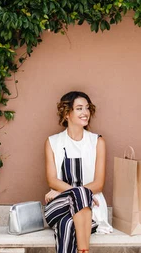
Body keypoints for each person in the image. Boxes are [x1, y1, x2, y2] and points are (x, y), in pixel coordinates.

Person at [44, 91, 112, 253]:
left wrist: (80, 194)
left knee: (67, 224)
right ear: (67, 113)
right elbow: (52, 180)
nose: (85, 113)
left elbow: (98, 184)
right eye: (79, 108)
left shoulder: (97, 142)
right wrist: (80, 194)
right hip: (60, 205)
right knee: (81, 194)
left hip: (91, 208)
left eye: (87, 108)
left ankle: (83, 250)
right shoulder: (52, 142)